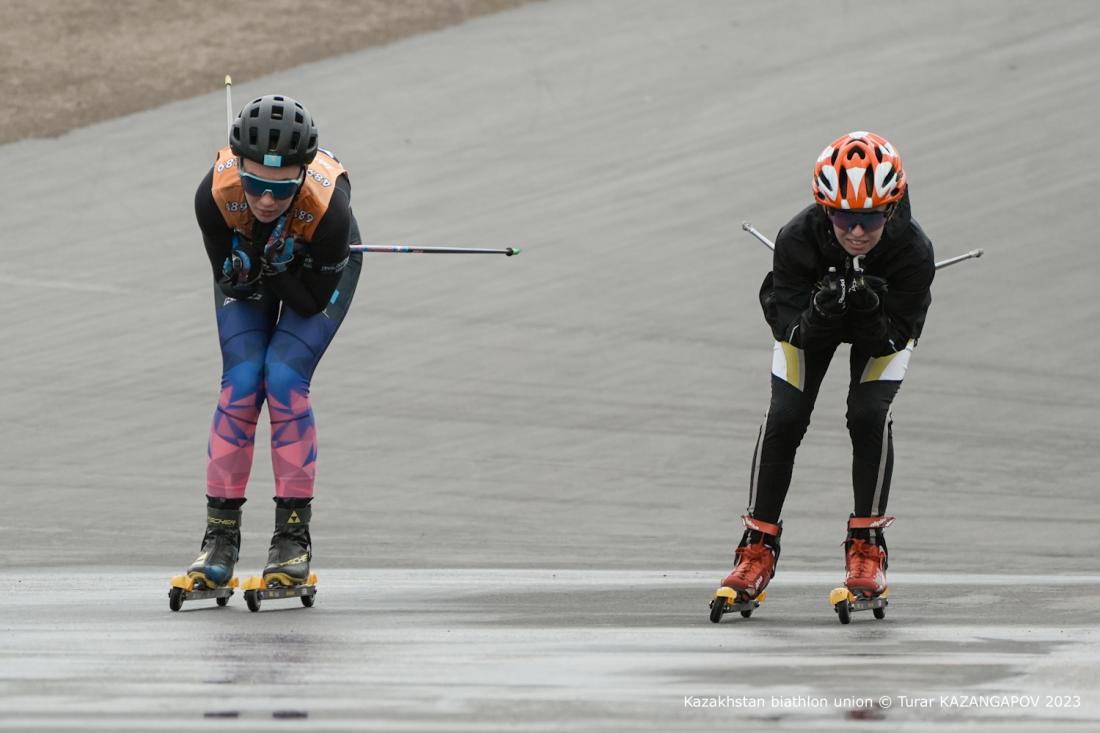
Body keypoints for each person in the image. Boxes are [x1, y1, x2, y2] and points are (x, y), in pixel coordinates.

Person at [718, 131, 934, 605]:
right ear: (824, 209)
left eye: (870, 218)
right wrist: (821, 312)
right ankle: (756, 548)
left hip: (884, 326)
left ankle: (868, 548)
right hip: (810, 324)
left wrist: (870, 309)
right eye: (842, 217)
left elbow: (895, 338)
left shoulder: (914, 252)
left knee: (868, 413)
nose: (856, 231)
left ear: (891, 209)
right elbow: (788, 327)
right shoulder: (796, 239)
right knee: (787, 413)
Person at [179, 94, 362, 593]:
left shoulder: (329, 210)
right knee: (241, 383)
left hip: (314, 271)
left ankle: (292, 539)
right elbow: (231, 282)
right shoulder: (214, 196)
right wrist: (245, 271)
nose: (264, 200)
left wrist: (280, 269)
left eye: (280, 189)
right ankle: (219, 538)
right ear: (239, 168)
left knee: (283, 380)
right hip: (258, 256)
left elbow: (309, 302)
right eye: (255, 184)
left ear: (302, 175)